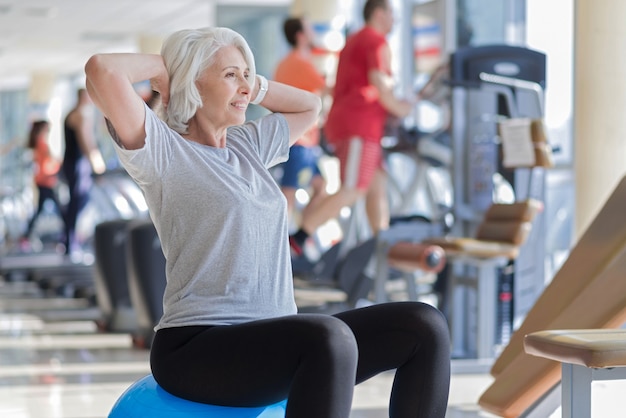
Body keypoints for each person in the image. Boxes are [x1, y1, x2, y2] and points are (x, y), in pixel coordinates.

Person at [84, 26, 450, 418]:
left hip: (275, 339)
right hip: (198, 346)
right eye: (229, 75)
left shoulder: (247, 146)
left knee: (423, 325)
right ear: (190, 82)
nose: (244, 85)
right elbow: (101, 70)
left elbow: (309, 107)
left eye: (247, 74)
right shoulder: (164, 150)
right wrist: (166, 69)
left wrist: (248, 84)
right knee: (329, 337)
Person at [289, 0, 415, 256]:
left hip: (356, 124)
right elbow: (380, 83)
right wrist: (403, 109)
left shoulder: (356, 39)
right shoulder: (375, 41)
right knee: (353, 188)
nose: (395, 20)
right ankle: (299, 238)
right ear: (379, 13)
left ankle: (383, 248)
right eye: (392, 13)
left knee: (376, 187)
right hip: (359, 125)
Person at [273, 16, 329, 230]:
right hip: (300, 141)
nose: (314, 33)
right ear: (300, 36)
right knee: (288, 195)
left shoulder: (286, 64)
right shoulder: (301, 64)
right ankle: (283, 242)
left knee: (320, 186)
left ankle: (299, 235)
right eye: (309, 29)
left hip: (299, 138)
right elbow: (328, 89)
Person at [61, 88, 105, 256]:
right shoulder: (80, 115)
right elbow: (86, 142)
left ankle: (69, 241)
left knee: (77, 202)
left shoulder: (72, 113)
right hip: (77, 164)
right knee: (78, 202)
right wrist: (98, 166)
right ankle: (70, 243)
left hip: (73, 163)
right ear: (84, 97)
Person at [21, 120, 65, 248]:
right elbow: (49, 162)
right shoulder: (41, 143)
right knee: (59, 209)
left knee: (43, 210)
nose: (48, 131)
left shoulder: (39, 142)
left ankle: (27, 235)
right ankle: (66, 233)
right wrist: (59, 166)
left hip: (44, 180)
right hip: (46, 181)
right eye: (47, 128)